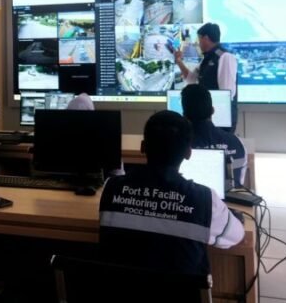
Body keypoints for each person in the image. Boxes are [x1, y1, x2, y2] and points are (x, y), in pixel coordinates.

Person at [98, 110, 244, 275]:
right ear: (188, 153)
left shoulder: (111, 188)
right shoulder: (205, 200)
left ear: (142, 147)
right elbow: (236, 236)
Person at [174, 22, 239, 132]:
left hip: (221, 118)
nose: (198, 43)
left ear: (206, 38)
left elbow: (227, 93)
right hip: (208, 117)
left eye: (199, 39)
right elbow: (191, 79)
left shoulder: (225, 57)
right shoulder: (207, 59)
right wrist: (179, 61)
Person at [181, 84, 247, 189]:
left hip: (192, 198)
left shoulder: (177, 147)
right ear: (212, 110)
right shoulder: (237, 143)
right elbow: (239, 184)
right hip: (230, 198)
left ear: (184, 115)